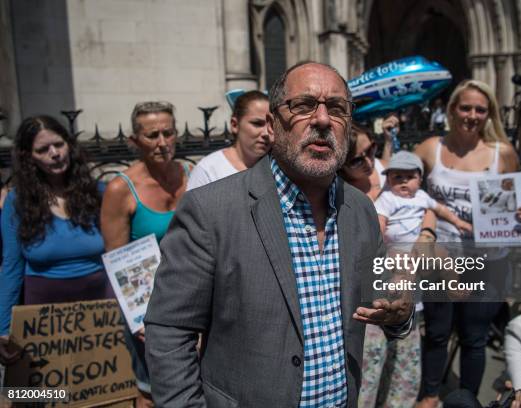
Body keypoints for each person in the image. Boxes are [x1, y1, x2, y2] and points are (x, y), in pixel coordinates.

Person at [144, 61, 413, 407]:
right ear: (272, 125)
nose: (321, 120)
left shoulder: (360, 210)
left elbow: (384, 304)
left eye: (336, 109)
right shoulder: (211, 210)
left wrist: (401, 312)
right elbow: (169, 331)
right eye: (302, 106)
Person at [400, 79, 521, 408]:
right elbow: (406, 189)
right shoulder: (429, 148)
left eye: (480, 109)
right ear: (451, 110)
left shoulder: (502, 153)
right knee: (436, 331)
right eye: (465, 107)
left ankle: (466, 401)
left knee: (474, 337)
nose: (472, 115)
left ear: (488, 114)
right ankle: (430, 394)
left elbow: (514, 205)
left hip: (488, 260)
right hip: (442, 257)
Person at [101, 101, 191, 407]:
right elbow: (117, 261)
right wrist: (138, 318)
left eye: (168, 132)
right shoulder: (120, 189)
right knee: (150, 390)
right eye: (153, 135)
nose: (163, 143)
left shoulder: (191, 174)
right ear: (134, 141)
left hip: (192, 298)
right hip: (147, 308)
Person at [0, 115, 108, 364]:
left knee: (97, 391)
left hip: (99, 312)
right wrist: (4, 329)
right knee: (41, 395)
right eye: (43, 149)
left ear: (69, 145)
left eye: (59, 145)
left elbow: (120, 254)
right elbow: (11, 268)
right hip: (42, 314)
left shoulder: (99, 193)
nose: (54, 153)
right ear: (29, 156)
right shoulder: (18, 202)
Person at [339, 127, 431, 408]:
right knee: (367, 373)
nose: (369, 162)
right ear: (341, 163)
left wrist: (427, 234)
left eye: (372, 150)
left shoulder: (388, 172)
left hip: (406, 287)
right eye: (358, 159)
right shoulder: (340, 194)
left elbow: (426, 208)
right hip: (370, 294)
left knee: (403, 370)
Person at [376, 150, 472, 243]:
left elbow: (440, 209)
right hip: (394, 248)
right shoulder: (387, 198)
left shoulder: (422, 196)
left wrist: (458, 222)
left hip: (419, 244)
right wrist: (379, 242)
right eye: (397, 177)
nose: (404, 180)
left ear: (420, 181)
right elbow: (380, 220)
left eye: (410, 177)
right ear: (388, 180)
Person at [187, 90, 272, 190]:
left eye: (272, 125)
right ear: (234, 125)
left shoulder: (278, 168)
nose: (266, 133)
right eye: (257, 123)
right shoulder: (208, 170)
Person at [338, 122, 391, 200]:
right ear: (341, 165)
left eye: (370, 150)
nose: (369, 163)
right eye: (357, 161)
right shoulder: (339, 196)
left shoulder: (388, 170)